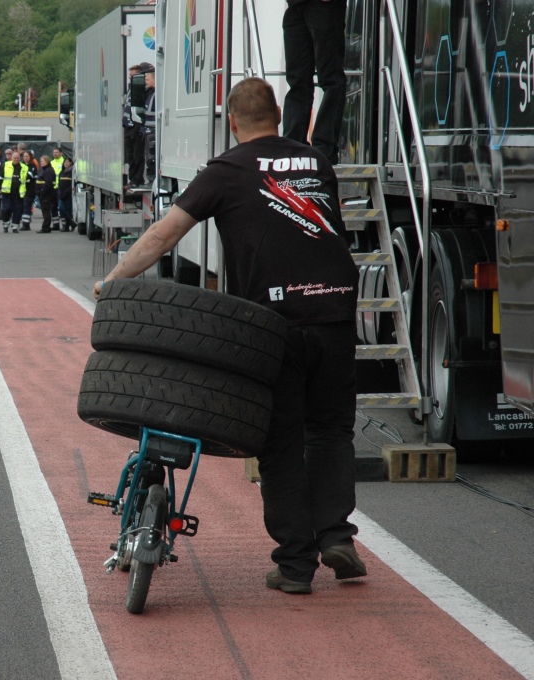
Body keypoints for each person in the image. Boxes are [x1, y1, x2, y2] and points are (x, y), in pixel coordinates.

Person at [93, 77, 366, 594]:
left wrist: (115, 281)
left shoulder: (226, 170)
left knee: (282, 443)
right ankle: (338, 537)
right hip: (334, 313)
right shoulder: (316, 163)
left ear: (232, 121)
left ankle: (295, 566)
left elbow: (164, 233)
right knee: (330, 431)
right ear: (282, 118)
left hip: (274, 324)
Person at [282, 0, 347, 165]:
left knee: (331, 79)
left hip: (324, 5)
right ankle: (292, 147)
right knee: (297, 82)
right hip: (295, 6)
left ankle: (324, 148)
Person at [123, 64, 146, 187]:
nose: (130, 78)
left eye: (132, 76)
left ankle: (137, 179)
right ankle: (132, 178)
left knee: (137, 154)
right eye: (129, 76)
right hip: (128, 125)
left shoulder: (140, 89)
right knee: (130, 155)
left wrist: (137, 126)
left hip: (136, 125)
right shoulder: (131, 88)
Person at [0, 151, 26, 233]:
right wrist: (0, 188)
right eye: (15, 158)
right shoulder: (6, 165)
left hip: (19, 193)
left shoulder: (24, 167)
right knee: (6, 209)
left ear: (20, 158)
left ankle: (15, 226)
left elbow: (26, 181)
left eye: (18, 158)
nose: (16, 160)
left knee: (18, 210)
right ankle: (5, 224)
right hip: (7, 192)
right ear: (11, 158)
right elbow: (0, 178)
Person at [142, 65, 157, 185]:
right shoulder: (150, 93)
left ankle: (152, 179)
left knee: (151, 157)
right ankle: (151, 179)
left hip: (152, 131)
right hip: (148, 131)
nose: (145, 83)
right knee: (149, 156)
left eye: (147, 80)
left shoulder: (156, 95)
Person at [35, 155, 59, 233]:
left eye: (43, 161)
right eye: (41, 161)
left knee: (46, 212)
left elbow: (48, 183)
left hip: (46, 194)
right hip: (45, 194)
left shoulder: (48, 171)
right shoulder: (46, 170)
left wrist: (42, 191)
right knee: (45, 211)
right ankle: (46, 227)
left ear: (47, 161)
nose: (42, 163)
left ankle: (46, 227)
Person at [20, 150, 39, 231]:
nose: (25, 158)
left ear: (30, 157)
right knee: (23, 206)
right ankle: (25, 223)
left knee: (27, 206)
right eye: (24, 156)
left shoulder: (32, 165)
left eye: (27, 156)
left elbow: (29, 176)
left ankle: (26, 225)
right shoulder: (21, 165)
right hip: (22, 189)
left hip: (30, 189)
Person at [57, 156, 75, 231]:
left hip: (68, 195)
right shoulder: (62, 172)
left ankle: (67, 226)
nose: (66, 163)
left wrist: (66, 192)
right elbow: (59, 183)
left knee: (68, 210)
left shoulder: (72, 172)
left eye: (68, 162)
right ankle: (72, 223)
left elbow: (72, 184)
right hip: (61, 194)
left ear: (71, 163)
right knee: (61, 208)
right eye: (65, 162)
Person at [50, 147, 65, 229]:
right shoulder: (51, 162)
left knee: (61, 207)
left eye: (56, 152)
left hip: (61, 188)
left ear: (61, 153)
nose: (55, 154)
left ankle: (64, 224)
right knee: (53, 207)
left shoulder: (64, 162)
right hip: (53, 188)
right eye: (54, 152)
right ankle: (55, 224)